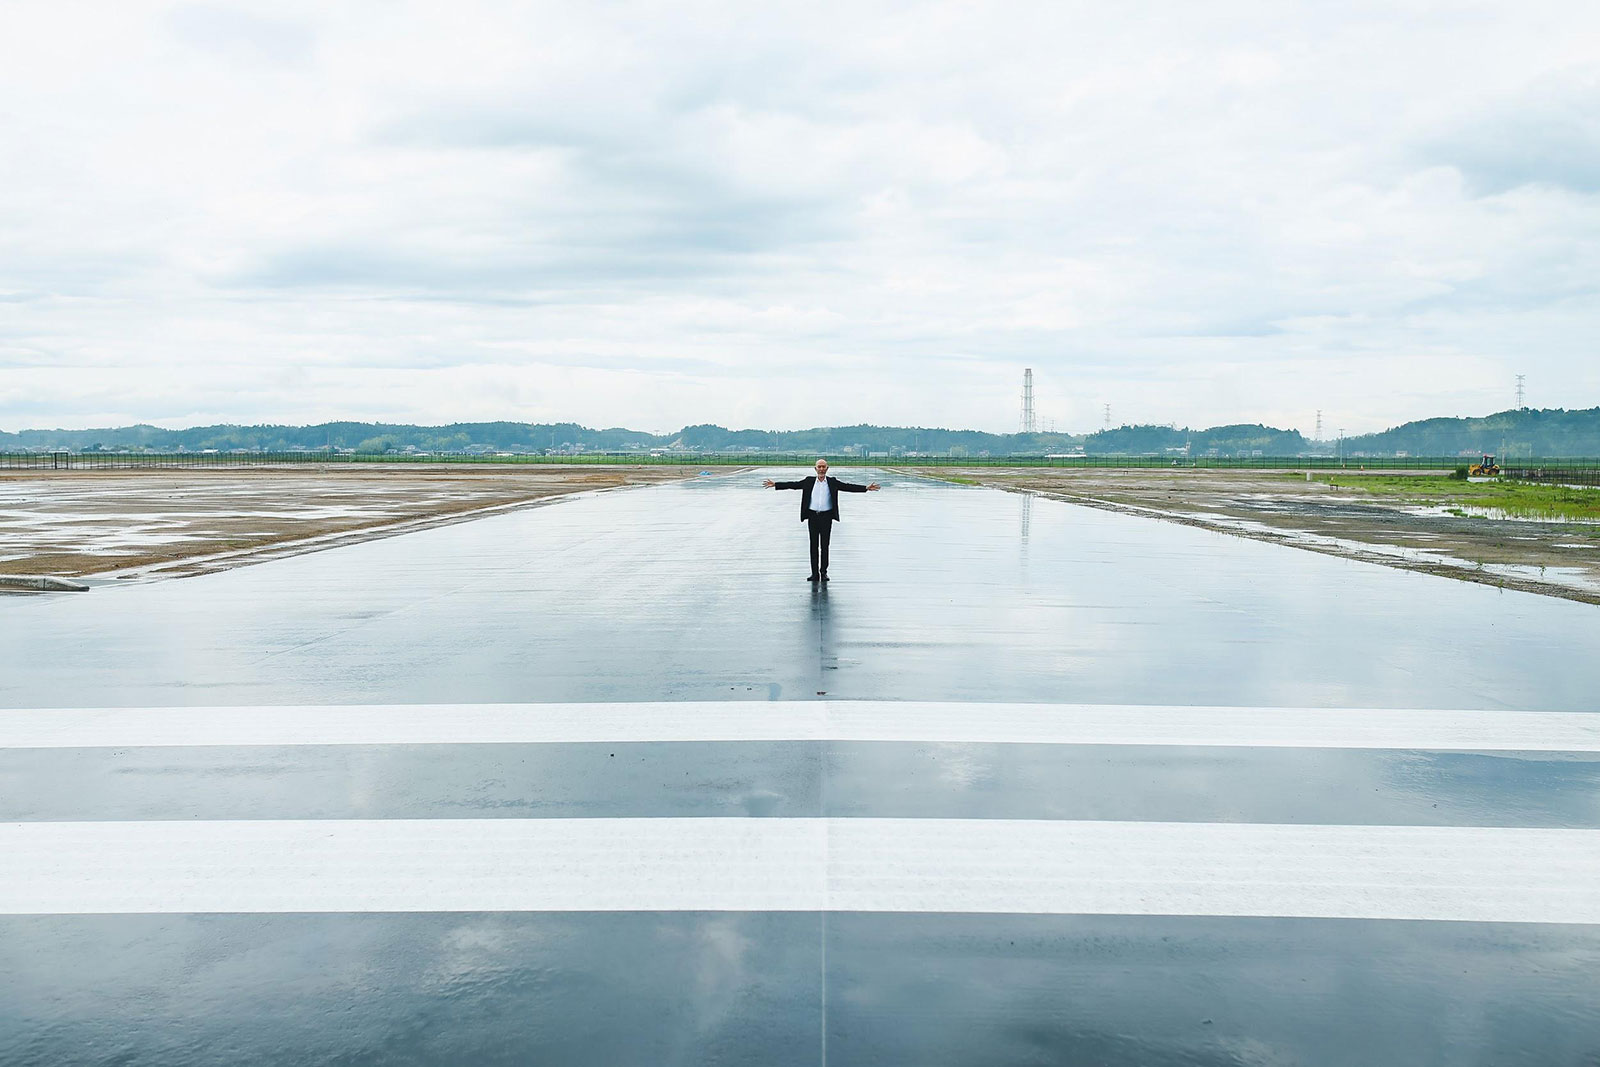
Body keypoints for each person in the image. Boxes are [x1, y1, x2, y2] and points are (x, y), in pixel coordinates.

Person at [763, 459, 881, 582]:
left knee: (825, 546)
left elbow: (847, 487)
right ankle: (814, 573)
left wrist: (865, 488)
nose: (821, 469)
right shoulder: (808, 481)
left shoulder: (832, 482)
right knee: (813, 546)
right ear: (815, 469)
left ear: (827, 468)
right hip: (813, 517)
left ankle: (823, 572)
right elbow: (793, 485)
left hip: (826, 517)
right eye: (819, 467)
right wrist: (776, 484)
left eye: (823, 466)